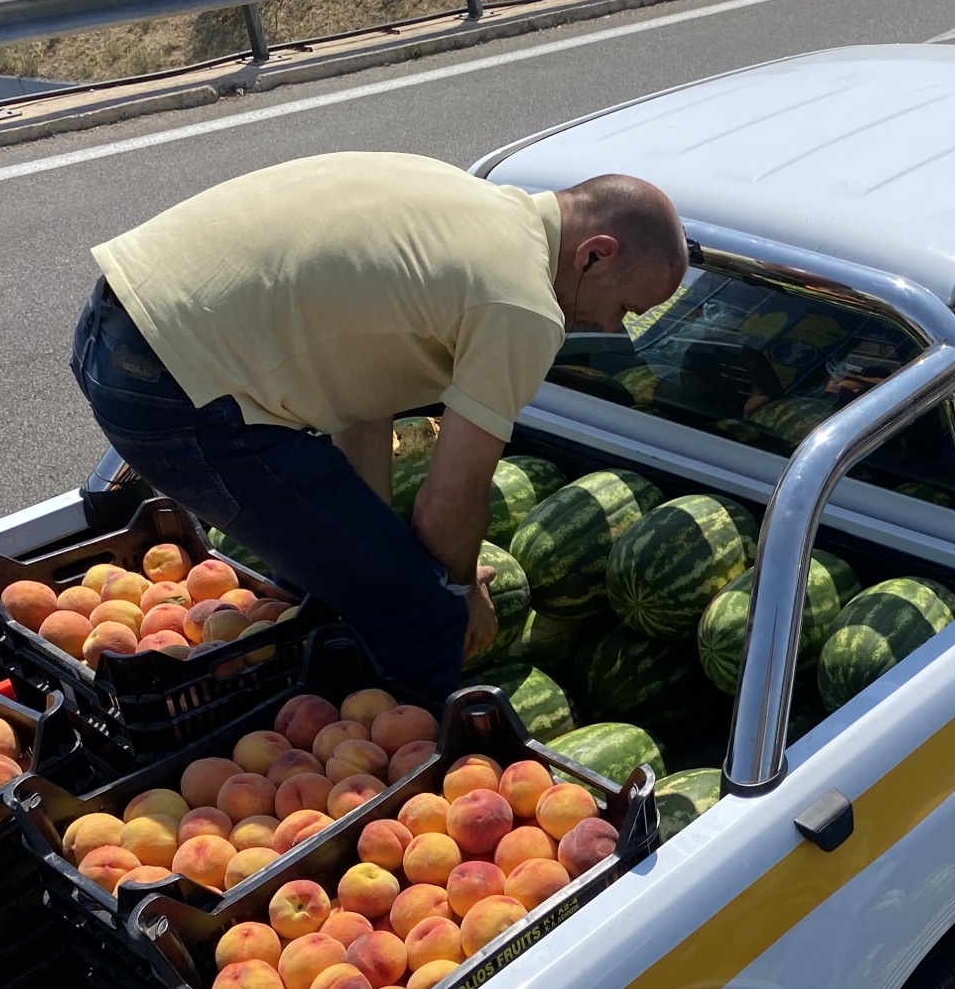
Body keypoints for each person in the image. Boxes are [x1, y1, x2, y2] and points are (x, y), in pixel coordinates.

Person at [70, 152, 687, 699]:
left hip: (114, 323)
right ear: (596, 254)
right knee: (423, 618)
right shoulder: (521, 303)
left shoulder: (464, 204)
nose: (613, 331)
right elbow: (449, 500)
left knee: (354, 578)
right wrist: (456, 593)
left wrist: (374, 559)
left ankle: (313, 717)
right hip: (174, 389)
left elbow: (360, 397)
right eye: (626, 309)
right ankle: (401, 789)